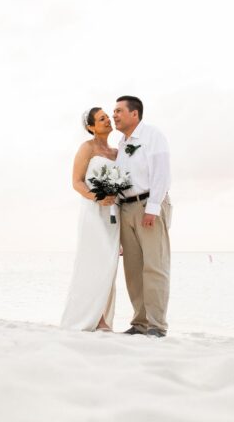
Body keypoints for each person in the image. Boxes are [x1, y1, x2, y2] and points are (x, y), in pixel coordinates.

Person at [113, 95, 172, 337]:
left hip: (148, 204)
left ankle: (157, 326)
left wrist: (153, 208)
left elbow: (161, 173)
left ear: (134, 114)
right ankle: (140, 323)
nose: (114, 115)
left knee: (154, 267)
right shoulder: (121, 143)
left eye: (118, 111)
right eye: (113, 111)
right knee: (133, 269)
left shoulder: (152, 136)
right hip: (126, 209)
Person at [60, 107, 122, 331]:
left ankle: (102, 315)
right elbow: (77, 181)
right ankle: (94, 319)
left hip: (113, 215)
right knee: (94, 262)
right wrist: (97, 197)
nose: (107, 120)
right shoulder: (87, 148)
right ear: (91, 127)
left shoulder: (117, 152)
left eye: (107, 117)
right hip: (93, 213)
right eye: (101, 119)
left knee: (110, 265)